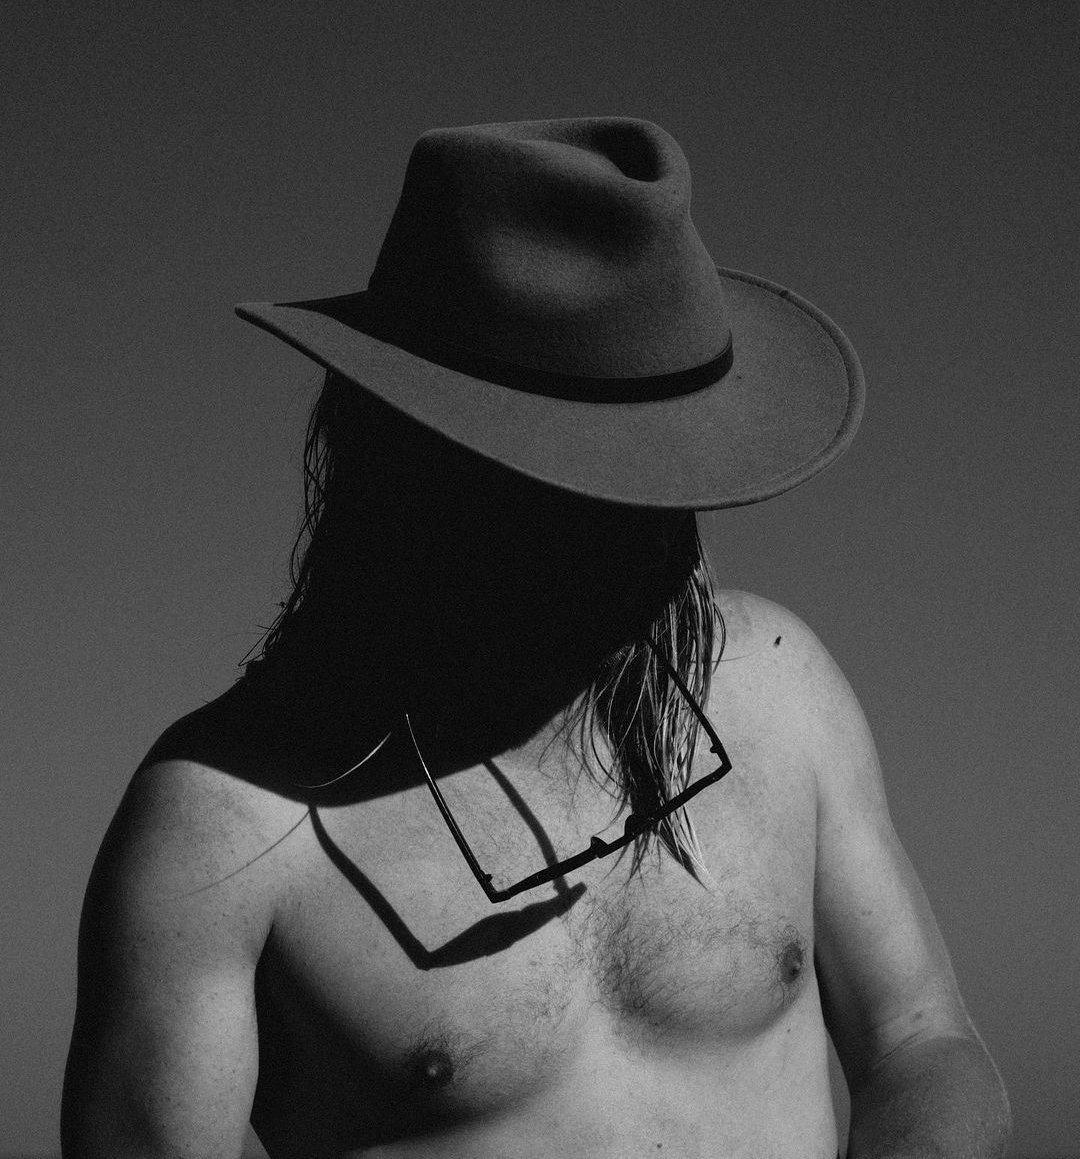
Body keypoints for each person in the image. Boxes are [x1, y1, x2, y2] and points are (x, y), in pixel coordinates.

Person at [62, 118, 1010, 1158]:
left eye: (654, 468)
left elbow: (923, 1043)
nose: (633, 528)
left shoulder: (777, 689)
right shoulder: (228, 823)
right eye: (567, 474)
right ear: (402, 455)